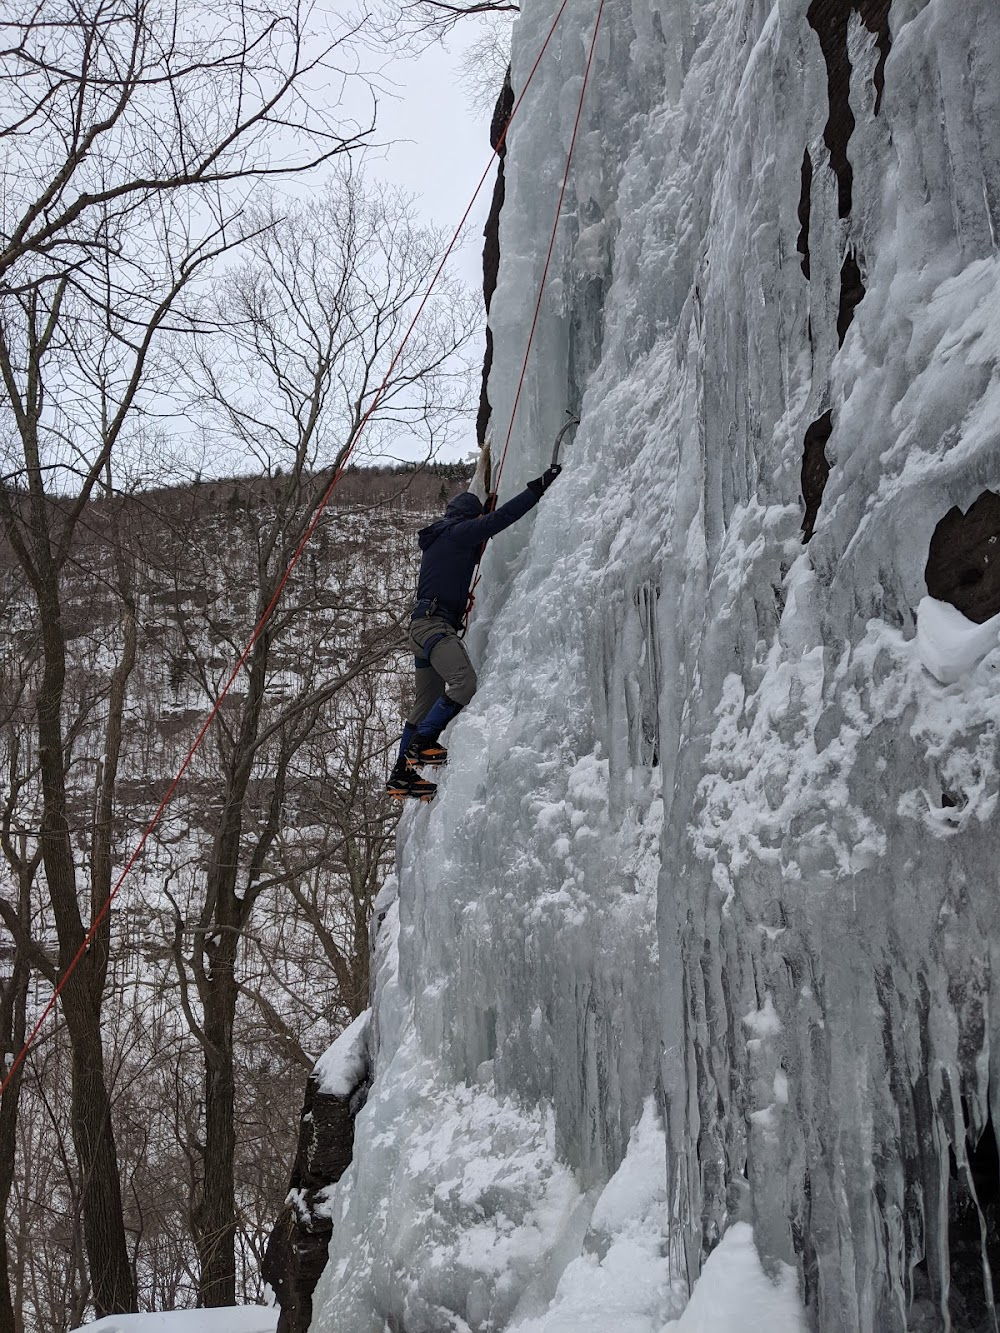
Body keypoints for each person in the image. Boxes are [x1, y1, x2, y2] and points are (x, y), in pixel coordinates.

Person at [386, 450, 563, 800]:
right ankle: (422, 745)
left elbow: (475, 543)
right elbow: (499, 521)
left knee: (425, 703)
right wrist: (537, 488)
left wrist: (483, 509)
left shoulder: (439, 538)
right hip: (436, 628)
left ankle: (401, 777)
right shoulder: (458, 533)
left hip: (421, 628)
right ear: (468, 519)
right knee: (464, 682)